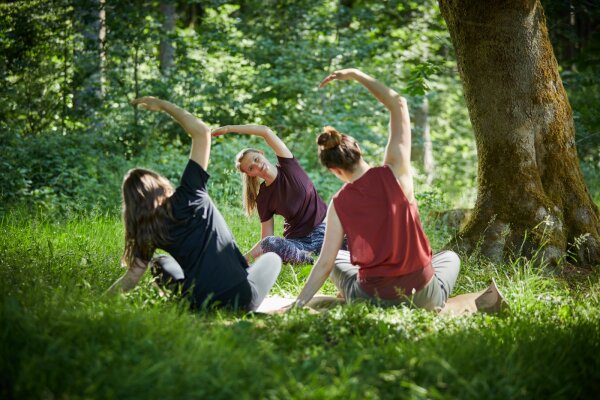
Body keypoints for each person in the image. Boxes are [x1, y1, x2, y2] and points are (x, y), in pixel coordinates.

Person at [290, 68, 503, 312]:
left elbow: (325, 263)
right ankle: (435, 304)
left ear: (334, 171)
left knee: (336, 258)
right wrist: (356, 75)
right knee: (450, 258)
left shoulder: (338, 203)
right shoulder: (396, 172)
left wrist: (297, 305)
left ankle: (349, 298)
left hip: (370, 298)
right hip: (421, 294)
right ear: (358, 149)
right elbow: (398, 103)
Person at [107, 97, 281, 312]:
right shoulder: (190, 192)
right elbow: (201, 131)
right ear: (159, 184)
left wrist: (99, 301)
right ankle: (236, 287)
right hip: (241, 298)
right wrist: (161, 104)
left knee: (159, 262)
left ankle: (186, 302)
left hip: (199, 304)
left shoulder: (148, 229)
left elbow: (133, 275)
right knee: (272, 257)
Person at [211, 124, 328, 265]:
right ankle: (305, 259)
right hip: (297, 243)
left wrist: (229, 129)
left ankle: (314, 257)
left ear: (261, 153)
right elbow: (266, 240)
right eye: (251, 168)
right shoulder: (263, 198)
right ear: (250, 174)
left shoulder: (288, 165)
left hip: (323, 231)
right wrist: (245, 260)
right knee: (271, 243)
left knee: (348, 236)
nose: (257, 165)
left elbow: (265, 131)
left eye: (255, 159)